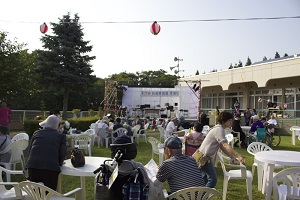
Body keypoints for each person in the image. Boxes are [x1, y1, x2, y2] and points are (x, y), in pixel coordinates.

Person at [197, 111, 245, 188]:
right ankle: (203, 196)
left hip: (203, 156)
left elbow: (221, 146)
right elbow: (225, 145)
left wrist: (231, 157)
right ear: (223, 121)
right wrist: (238, 155)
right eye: (229, 120)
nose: (231, 122)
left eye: (231, 120)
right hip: (204, 157)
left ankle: (199, 194)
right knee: (213, 179)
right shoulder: (219, 130)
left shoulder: (219, 128)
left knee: (205, 179)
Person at [26, 115, 66, 190]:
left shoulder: (36, 133)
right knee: (49, 193)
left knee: (35, 194)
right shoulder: (60, 136)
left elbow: (30, 150)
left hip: (32, 166)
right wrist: (59, 163)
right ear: (58, 126)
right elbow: (62, 153)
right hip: (50, 168)